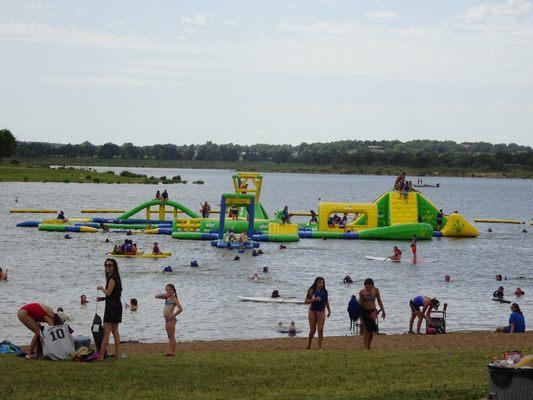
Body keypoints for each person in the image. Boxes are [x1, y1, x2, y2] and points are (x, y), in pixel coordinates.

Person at [97, 258, 123, 360]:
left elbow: (108, 292)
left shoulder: (112, 278)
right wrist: (103, 299)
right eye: (106, 265)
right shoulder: (116, 277)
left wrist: (101, 288)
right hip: (116, 306)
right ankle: (118, 354)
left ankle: (101, 355)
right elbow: (113, 295)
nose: (107, 267)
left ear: (114, 267)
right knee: (115, 331)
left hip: (111, 308)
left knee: (107, 332)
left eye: (110, 265)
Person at [155, 284, 183, 357]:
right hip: (166, 320)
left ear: (173, 290)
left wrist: (173, 315)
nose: (168, 291)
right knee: (169, 336)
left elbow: (180, 309)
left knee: (172, 336)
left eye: (170, 290)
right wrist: (166, 295)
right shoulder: (167, 298)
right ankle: (170, 351)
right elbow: (156, 296)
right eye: (167, 290)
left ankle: (172, 352)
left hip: (171, 320)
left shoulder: (174, 299)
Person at [358, 278, 386, 350]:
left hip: (373, 311)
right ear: (365, 285)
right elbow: (360, 304)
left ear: (373, 286)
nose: (369, 288)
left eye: (370, 287)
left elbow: (379, 301)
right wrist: (359, 314)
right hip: (364, 312)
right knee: (366, 330)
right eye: (367, 287)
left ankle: (369, 346)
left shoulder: (376, 290)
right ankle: (365, 347)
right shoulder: (361, 292)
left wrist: (383, 311)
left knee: (371, 330)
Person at [305, 277, 331, 350]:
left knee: (320, 329)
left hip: (321, 311)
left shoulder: (325, 291)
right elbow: (306, 301)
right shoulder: (311, 290)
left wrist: (329, 310)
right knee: (312, 330)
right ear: (316, 283)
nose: (321, 284)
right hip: (312, 311)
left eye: (322, 283)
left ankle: (319, 347)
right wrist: (313, 300)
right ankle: (309, 344)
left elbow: (326, 301)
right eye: (319, 283)